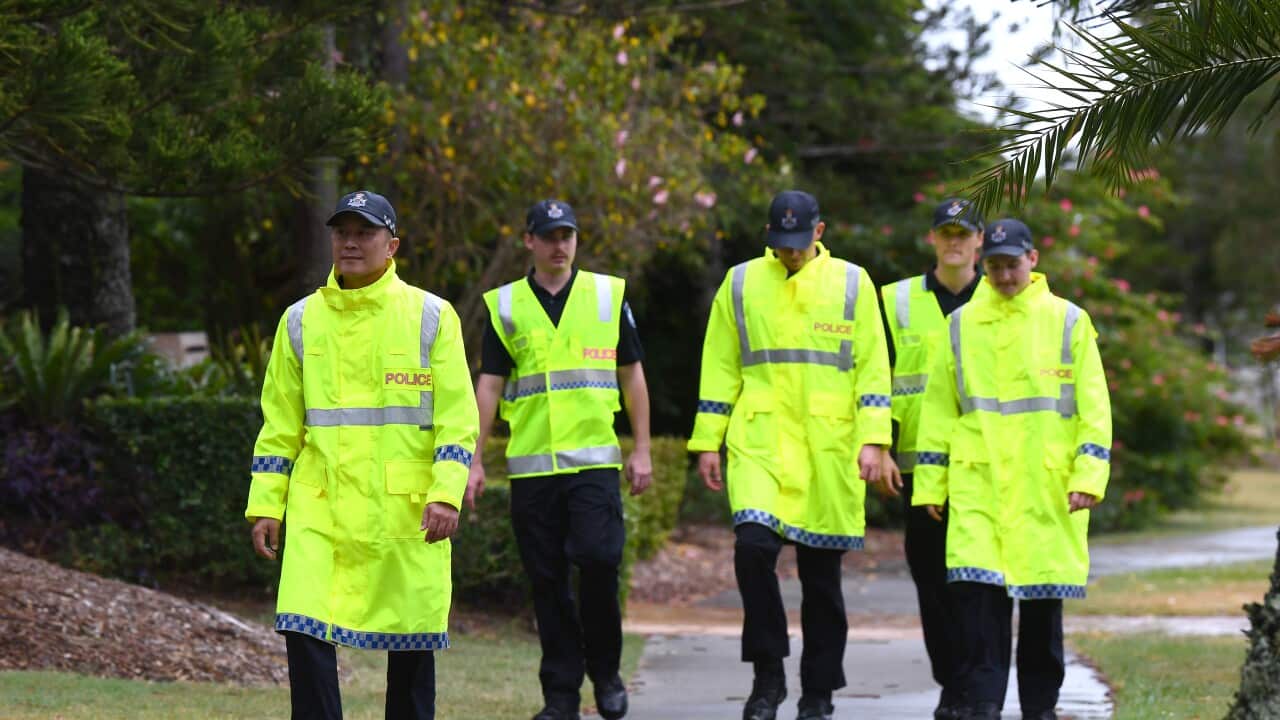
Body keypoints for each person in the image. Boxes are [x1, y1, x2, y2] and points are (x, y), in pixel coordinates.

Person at [246, 190, 479, 720]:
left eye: (365, 233)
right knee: (303, 632)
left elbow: (458, 418)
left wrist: (447, 494)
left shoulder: (431, 316)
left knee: (413, 643)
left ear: (391, 245)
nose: (351, 242)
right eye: (342, 232)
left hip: (405, 512)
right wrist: (266, 504)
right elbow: (279, 423)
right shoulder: (300, 321)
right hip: (318, 511)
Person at [689, 190, 893, 720]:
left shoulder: (853, 283)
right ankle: (768, 675)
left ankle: (818, 693)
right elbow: (720, 364)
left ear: (820, 232)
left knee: (821, 582)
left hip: (829, 448)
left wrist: (875, 438)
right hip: (760, 443)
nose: (790, 254)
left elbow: (872, 367)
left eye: (799, 244)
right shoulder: (740, 283)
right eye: (781, 245)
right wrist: (707, 439)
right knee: (752, 550)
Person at [912, 218, 1112, 720]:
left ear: (1033, 260)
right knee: (979, 612)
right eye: (995, 266)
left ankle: (1039, 710)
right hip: (978, 491)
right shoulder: (960, 327)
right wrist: (931, 484)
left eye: (1012, 265)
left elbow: (1095, 409)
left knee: (1043, 615)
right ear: (984, 264)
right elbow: (939, 411)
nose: (1003, 276)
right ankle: (983, 707)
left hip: (1047, 492)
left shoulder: (1068, 321)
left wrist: (1089, 478)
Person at [466, 199, 653, 720]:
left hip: (593, 464)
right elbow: (489, 385)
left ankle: (608, 673)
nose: (559, 244)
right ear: (529, 241)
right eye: (548, 235)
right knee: (547, 586)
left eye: (567, 234)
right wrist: (474, 460)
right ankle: (561, 698)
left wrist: (641, 450)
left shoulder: (606, 295)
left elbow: (632, 374)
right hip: (532, 470)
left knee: (598, 563)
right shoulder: (505, 306)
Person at [878, 198, 985, 720]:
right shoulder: (896, 301)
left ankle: (968, 687)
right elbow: (875, 380)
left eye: (963, 233)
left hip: (982, 468)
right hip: (920, 471)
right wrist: (877, 443)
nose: (954, 241)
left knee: (974, 583)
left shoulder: (1002, 296)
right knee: (931, 582)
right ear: (933, 239)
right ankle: (952, 679)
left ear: (980, 240)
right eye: (946, 232)